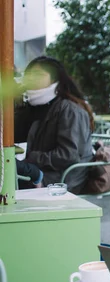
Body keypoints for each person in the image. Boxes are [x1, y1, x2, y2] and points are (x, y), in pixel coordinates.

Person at [15, 56, 94, 194]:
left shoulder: (70, 110)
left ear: (55, 79)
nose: (31, 79)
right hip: (40, 172)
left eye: (38, 75)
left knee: (9, 181)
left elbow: (68, 155)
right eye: (28, 75)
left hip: (63, 179)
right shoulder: (34, 107)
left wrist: (32, 158)